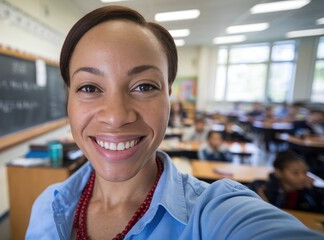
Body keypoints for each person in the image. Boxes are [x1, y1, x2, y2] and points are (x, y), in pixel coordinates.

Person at [26, 6, 324, 239]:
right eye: (89, 88)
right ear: (69, 100)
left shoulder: (215, 214)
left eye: (144, 86)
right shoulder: (45, 208)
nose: (116, 117)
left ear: (169, 96)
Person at [252, 150, 324, 213]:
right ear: (278, 173)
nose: (302, 177)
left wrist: (312, 191)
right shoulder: (267, 191)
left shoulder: (307, 193)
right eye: (295, 173)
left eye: (305, 172)